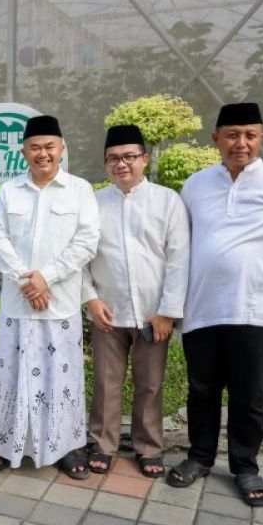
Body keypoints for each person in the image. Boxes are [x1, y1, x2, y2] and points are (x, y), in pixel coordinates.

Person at [167, 102, 263, 506]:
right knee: (202, 390)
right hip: (202, 307)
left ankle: (245, 467)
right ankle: (199, 457)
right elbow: (182, 242)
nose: (241, 143)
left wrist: (262, 271)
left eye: (250, 135)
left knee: (249, 396)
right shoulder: (196, 185)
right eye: (232, 135)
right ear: (216, 139)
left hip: (256, 308)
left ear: (261, 137)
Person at [0, 115, 99, 477]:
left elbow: (87, 241)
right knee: (12, 375)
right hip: (18, 304)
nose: (42, 153)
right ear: (23, 152)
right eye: (35, 147)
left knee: (61, 379)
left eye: (49, 146)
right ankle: (5, 442)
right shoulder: (9, 191)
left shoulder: (80, 190)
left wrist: (46, 278)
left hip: (60, 304)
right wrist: (27, 282)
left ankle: (66, 448)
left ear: (62, 149)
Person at [82, 124, 190, 478]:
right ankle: (103, 444)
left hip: (151, 315)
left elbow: (178, 259)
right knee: (105, 382)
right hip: (107, 312)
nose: (122, 164)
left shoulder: (167, 201)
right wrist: (90, 299)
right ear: (105, 163)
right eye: (113, 158)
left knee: (150, 383)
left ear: (144, 159)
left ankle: (148, 447)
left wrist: (168, 312)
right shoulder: (93, 203)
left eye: (129, 156)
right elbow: (79, 257)